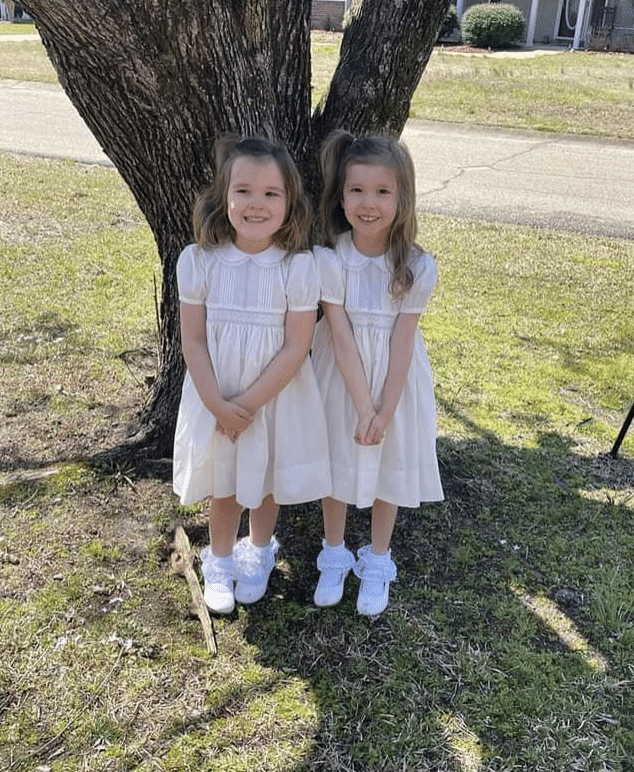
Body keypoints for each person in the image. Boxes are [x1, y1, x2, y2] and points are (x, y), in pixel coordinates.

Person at [173, 135, 331, 614]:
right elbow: (194, 341)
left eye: (271, 194)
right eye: (243, 190)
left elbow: (296, 346)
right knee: (225, 480)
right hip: (215, 393)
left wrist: (249, 405)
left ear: (290, 202)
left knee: (266, 478)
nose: (256, 204)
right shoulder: (198, 261)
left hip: (274, 395)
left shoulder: (298, 268)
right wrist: (220, 405)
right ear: (224, 195)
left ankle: (259, 552)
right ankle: (218, 559)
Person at [311, 130, 444, 616]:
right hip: (340, 375)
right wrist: (362, 403)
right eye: (357, 190)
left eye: (382, 192)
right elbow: (340, 333)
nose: (369, 203)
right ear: (341, 196)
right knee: (337, 458)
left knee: (388, 462)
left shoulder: (415, 265)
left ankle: (378, 559)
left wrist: (384, 408)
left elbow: (403, 339)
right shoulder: (330, 258)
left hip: (395, 379)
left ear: (402, 198)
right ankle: (334, 552)